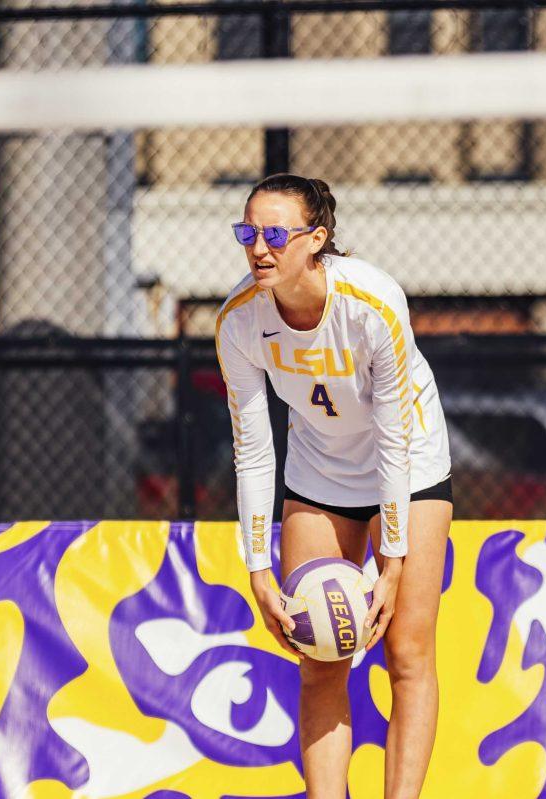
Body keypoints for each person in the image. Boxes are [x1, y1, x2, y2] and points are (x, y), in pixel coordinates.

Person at [215, 173, 453, 799]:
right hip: (320, 466)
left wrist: (392, 561)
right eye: (248, 233)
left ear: (316, 239)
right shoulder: (239, 321)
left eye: (275, 234)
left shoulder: (373, 304)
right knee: (319, 658)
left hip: (409, 462)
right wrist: (258, 571)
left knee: (406, 651)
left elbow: (396, 436)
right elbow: (253, 449)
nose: (258, 249)